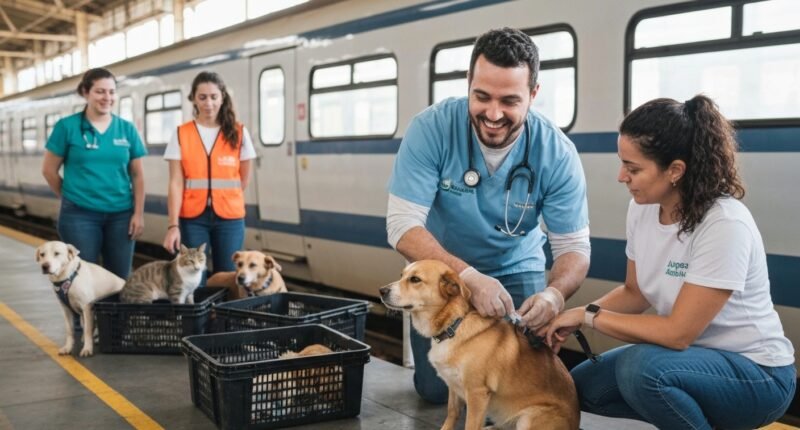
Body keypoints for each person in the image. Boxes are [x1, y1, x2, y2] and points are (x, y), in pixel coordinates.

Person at [544, 95, 796, 430]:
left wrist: (587, 315)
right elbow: (635, 292)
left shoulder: (724, 224)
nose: (622, 177)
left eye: (633, 168)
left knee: (642, 369)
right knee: (583, 387)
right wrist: (575, 320)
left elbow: (678, 334)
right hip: (687, 365)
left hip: (758, 375)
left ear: (675, 170)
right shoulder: (642, 208)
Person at [386, 27, 590, 404]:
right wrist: (468, 277)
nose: (493, 114)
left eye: (509, 101)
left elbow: (573, 246)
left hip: (517, 268)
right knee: (437, 390)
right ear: (467, 83)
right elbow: (401, 226)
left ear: (533, 95)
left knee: (520, 384)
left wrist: (554, 295)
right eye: (481, 97)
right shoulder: (431, 129)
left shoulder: (557, 152)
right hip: (444, 276)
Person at [42, 67, 146, 280]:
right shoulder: (67, 127)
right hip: (79, 216)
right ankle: (85, 315)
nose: (107, 97)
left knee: (118, 279)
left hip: (121, 215)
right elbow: (49, 170)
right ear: (85, 92)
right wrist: (69, 196)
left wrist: (138, 213)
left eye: (111, 91)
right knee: (82, 279)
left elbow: (137, 175)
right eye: (100, 91)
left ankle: (113, 316)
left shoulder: (126, 129)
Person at [162, 71, 255, 275]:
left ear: (222, 97)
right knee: (193, 278)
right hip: (193, 218)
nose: (208, 103)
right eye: (202, 97)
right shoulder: (181, 133)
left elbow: (244, 179)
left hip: (230, 219)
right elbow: (175, 183)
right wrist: (173, 225)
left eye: (214, 97)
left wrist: (225, 198)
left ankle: (224, 309)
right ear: (193, 99)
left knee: (230, 277)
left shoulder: (239, 133)